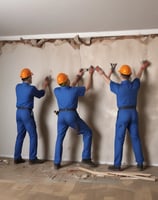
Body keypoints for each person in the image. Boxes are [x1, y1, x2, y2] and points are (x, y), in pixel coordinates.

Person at [96, 60, 150, 171]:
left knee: (119, 139)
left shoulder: (118, 87)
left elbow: (108, 81)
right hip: (133, 113)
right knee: (135, 138)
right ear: (130, 75)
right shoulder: (134, 85)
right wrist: (142, 67)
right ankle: (140, 163)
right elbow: (139, 76)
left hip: (123, 114)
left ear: (120, 75)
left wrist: (101, 73)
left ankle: (117, 165)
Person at [53, 67, 96, 169]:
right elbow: (88, 87)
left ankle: (56, 163)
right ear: (67, 81)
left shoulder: (56, 90)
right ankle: (86, 158)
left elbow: (69, 86)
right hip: (71, 115)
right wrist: (90, 74)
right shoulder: (74, 90)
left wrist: (78, 76)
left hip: (61, 116)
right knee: (88, 132)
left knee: (59, 138)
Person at [14, 68, 50, 164]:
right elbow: (40, 94)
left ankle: (17, 158)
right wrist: (45, 85)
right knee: (33, 135)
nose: (31, 78)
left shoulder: (17, 87)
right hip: (26, 113)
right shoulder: (31, 88)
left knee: (20, 135)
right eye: (31, 76)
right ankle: (32, 158)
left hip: (18, 113)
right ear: (29, 77)